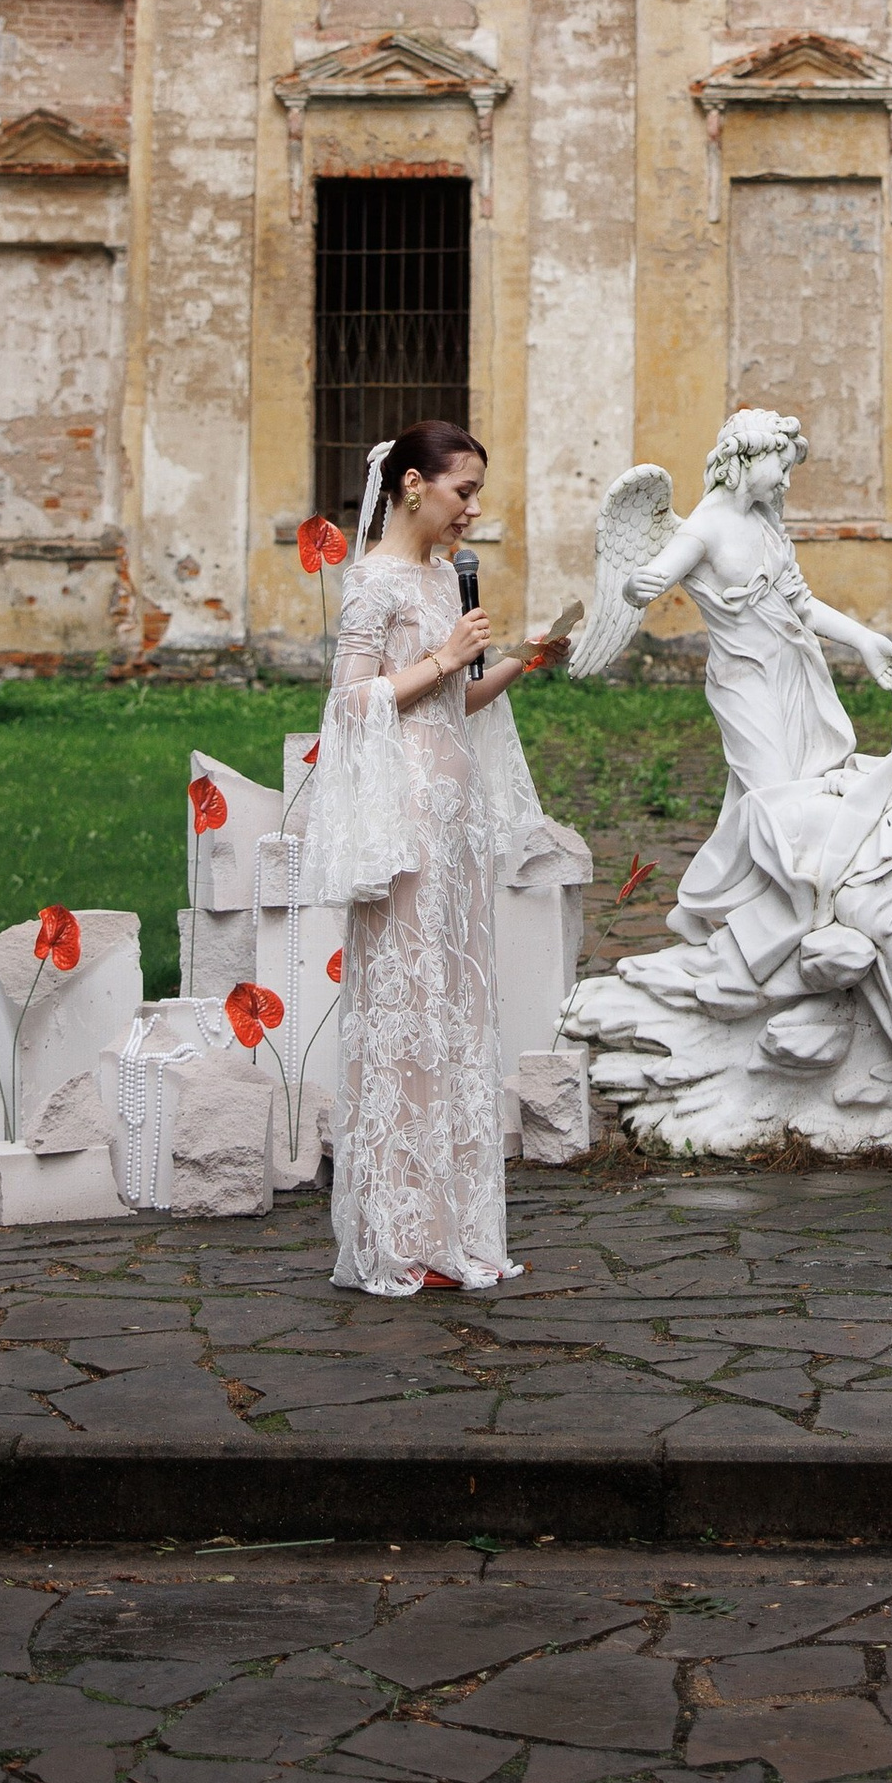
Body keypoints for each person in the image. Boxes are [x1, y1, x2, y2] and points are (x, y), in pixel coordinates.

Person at [312, 420, 562, 1298]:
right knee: (408, 1009)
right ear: (413, 486)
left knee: (454, 1007)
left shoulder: (443, 579)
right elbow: (349, 703)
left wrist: (518, 661)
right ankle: (396, 1233)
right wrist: (441, 656)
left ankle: (453, 1231)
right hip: (406, 811)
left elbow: (461, 697)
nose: (473, 510)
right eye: (463, 491)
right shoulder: (375, 579)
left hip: (454, 814)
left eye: (477, 493)